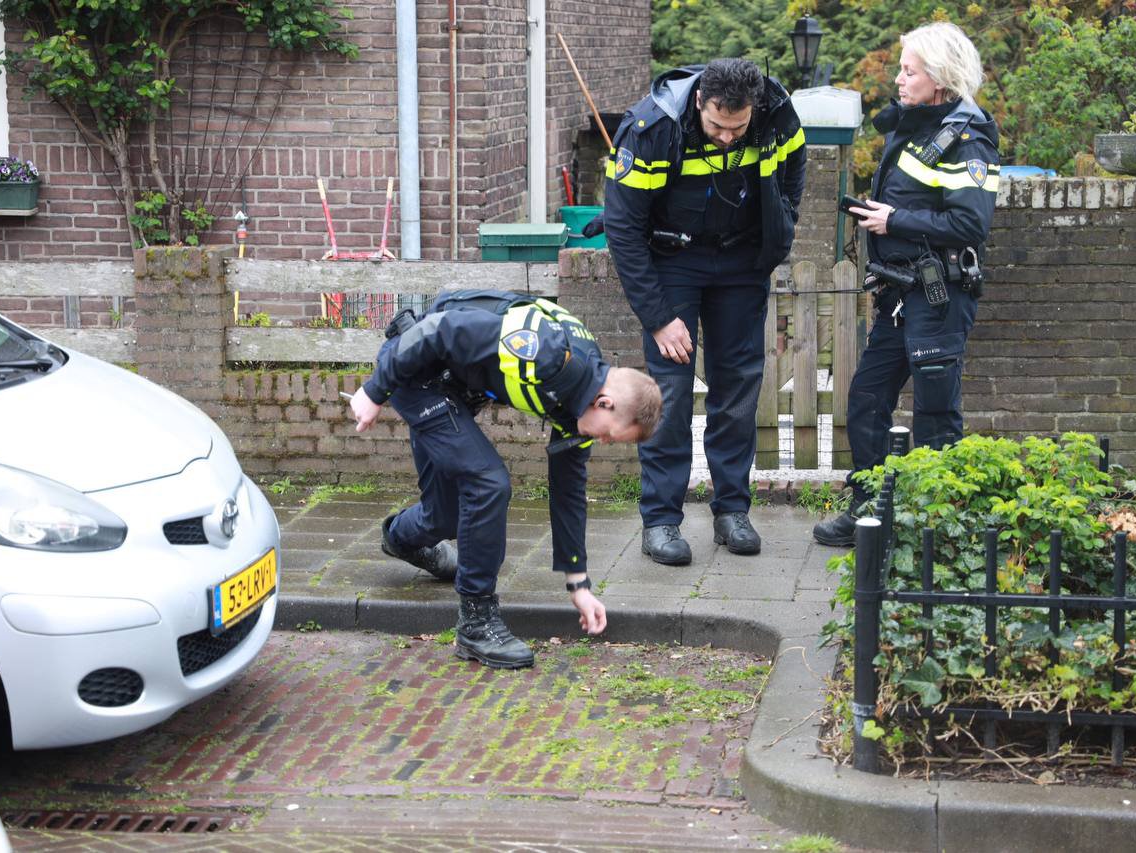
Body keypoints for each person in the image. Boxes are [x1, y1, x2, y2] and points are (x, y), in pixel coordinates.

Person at [347, 290, 662, 669]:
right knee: (488, 482)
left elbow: (568, 493)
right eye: (610, 434)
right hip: (415, 370)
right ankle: (476, 623)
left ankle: (399, 539)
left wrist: (578, 585)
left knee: (444, 516)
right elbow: (438, 330)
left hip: (452, 388)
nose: (604, 441)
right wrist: (375, 389)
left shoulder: (581, 401)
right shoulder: (545, 352)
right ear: (605, 403)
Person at [603, 57, 807, 566]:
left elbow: (792, 179)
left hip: (742, 263)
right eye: (717, 126)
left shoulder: (778, 115)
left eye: (738, 128)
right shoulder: (651, 129)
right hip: (673, 263)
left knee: (738, 389)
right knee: (669, 394)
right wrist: (658, 317)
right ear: (699, 102)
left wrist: (779, 233)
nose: (727, 138)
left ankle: (732, 511)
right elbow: (622, 229)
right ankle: (661, 520)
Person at [813, 22, 1000, 547]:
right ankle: (869, 511)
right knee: (866, 397)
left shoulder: (968, 139)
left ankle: (935, 533)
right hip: (898, 294)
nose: (898, 79)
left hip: (939, 298)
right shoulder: (916, 128)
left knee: (935, 414)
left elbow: (971, 224)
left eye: (908, 71)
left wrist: (894, 220)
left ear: (938, 78)